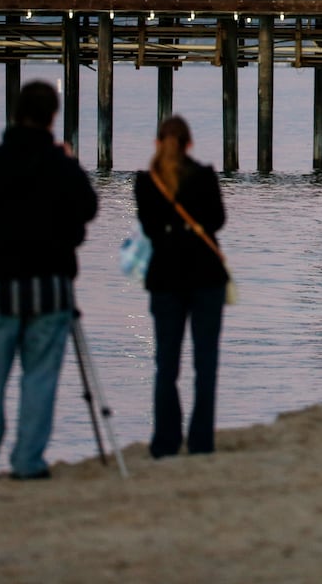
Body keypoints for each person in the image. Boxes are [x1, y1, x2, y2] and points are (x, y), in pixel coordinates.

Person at [0, 81, 98, 481]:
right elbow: (88, 208)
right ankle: (27, 461)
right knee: (40, 379)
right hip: (49, 286)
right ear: (53, 116)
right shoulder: (61, 166)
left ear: (16, 114)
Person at [135, 116, 229, 457]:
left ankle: (166, 442)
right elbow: (218, 220)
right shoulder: (204, 176)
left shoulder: (147, 182)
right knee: (205, 365)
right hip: (206, 276)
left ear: (158, 143)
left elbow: (150, 228)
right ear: (189, 144)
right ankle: (201, 441)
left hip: (166, 277)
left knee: (166, 365)